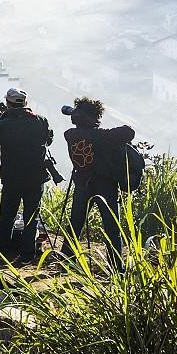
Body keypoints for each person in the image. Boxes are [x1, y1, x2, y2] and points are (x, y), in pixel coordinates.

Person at [62, 97, 135, 270]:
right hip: (105, 186)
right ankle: (117, 267)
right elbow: (128, 132)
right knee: (111, 227)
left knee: (76, 222)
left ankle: (66, 258)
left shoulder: (70, 134)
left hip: (81, 183)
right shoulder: (102, 136)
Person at [0, 88, 53, 263]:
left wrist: (0, 118)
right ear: (25, 103)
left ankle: (1, 249)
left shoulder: (2, 124)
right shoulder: (40, 121)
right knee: (31, 216)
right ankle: (27, 254)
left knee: (7, 214)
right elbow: (48, 140)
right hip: (36, 176)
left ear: (8, 103)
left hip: (12, 176)